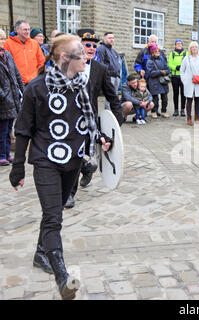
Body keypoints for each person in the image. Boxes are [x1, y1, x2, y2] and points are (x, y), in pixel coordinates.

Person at [9, 34, 111, 300]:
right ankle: (62, 276)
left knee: (55, 211)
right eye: (81, 52)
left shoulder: (81, 85)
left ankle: (40, 253)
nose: (87, 56)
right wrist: (17, 168)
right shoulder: (37, 88)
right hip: (45, 160)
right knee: (54, 218)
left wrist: (101, 137)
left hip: (74, 161)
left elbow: (89, 121)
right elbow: (23, 130)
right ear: (65, 57)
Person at [65, 28, 124, 209]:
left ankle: (85, 168)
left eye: (94, 45)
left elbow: (112, 97)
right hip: (68, 119)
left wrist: (117, 123)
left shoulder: (100, 69)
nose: (91, 48)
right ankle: (70, 192)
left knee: (77, 154)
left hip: (89, 122)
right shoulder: (67, 65)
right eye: (87, 45)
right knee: (72, 154)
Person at [0, 29, 24, 166]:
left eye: (3, 39)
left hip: (12, 98)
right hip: (3, 100)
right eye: (0, 39)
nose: (2, 42)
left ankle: (7, 153)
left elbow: (16, 74)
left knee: (9, 129)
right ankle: (1, 155)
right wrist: (3, 94)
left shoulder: (7, 54)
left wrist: (22, 89)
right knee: (2, 130)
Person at [4, 20, 45, 85]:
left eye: (29, 29)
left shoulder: (34, 44)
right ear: (17, 30)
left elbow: (41, 62)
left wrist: (39, 77)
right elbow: (5, 64)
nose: (27, 32)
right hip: (17, 83)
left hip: (34, 81)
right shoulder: (8, 44)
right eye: (25, 30)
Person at [180, 41, 199, 126]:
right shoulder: (186, 59)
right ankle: (188, 117)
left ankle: (197, 117)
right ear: (190, 49)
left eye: (195, 47)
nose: (194, 48)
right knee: (189, 100)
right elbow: (182, 70)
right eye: (192, 47)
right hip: (189, 82)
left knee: (198, 100)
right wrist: (184, 80)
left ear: (198, 48)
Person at [97, 32, 122, 109]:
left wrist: (118, 75)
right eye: (109, 38)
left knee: (114, 96)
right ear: (104, 39)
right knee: (110, 96)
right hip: (109, 77)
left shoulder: (113, 51)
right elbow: (100, 63)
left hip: (116, 77)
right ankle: (108, 114)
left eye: (113, 38)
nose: (112, 40)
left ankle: (113, 113)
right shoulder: (101, 49)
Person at [146, 43, 170, 119]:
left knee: (165, 98)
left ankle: (164, 111)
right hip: (154, 81)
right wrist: (160, 72)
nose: (158, 52)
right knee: (155, 98)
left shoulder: (162, 58)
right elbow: (150, 73)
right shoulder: (149, 61)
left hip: (163, 81)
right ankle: (154, 111)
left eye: (158, 51)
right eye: (156, 51)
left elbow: (167, 69)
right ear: (152, 52)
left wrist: (165, 72)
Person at [168, 39, 187, 117]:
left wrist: (182, 67)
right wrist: (176, 67)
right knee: (175, 94)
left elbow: (187, 63)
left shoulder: (186, 53)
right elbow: (169, 63)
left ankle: (182, 109)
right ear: (175, 45)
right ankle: (176, 110)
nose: (179, 45)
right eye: (177, 44)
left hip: (183, 76)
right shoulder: (172, 53)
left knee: (183, 94)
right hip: (175, 76)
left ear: (182, 45)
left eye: (180, 44)